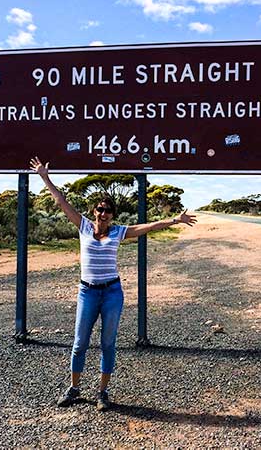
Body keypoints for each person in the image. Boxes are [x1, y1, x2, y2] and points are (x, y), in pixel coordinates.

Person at [29, 157, 196, 411]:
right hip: (87, 292)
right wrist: (44, 176)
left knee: (108, 343)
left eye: (108, 210)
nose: (103, 213)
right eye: (99, 209)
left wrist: (175, 220)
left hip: (111, 293)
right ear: (94, 211)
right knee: (79, 343)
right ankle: (74, 389)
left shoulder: (118, 231)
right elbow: (61, 201)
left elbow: (147, 226)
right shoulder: (83, 226)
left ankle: (102, 392)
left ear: (112, 215)